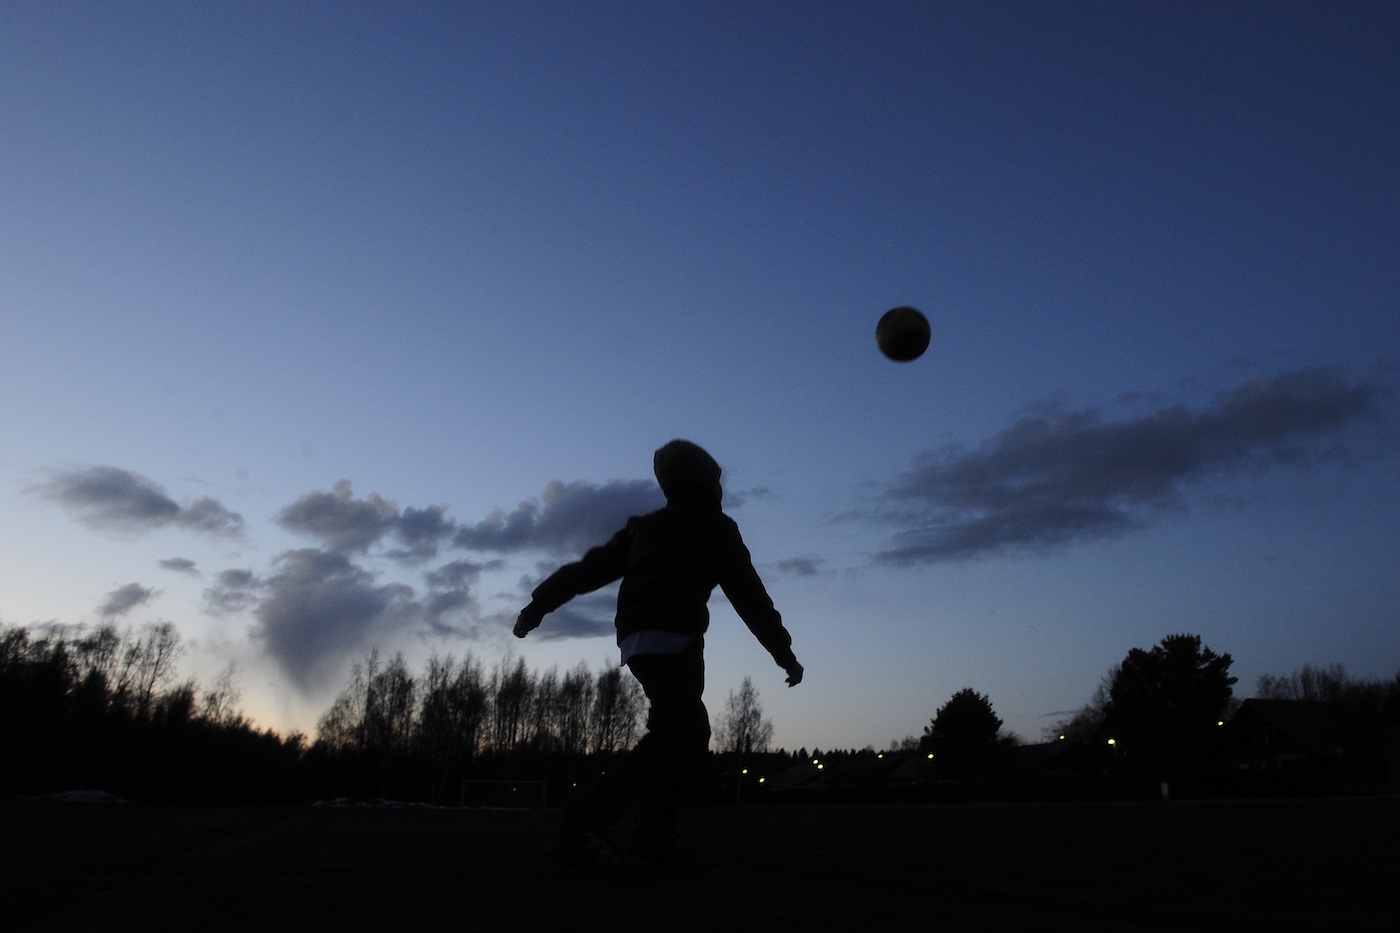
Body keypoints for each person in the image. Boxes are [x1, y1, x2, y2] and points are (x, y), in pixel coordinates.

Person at [514, 439, 803, 871]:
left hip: (635, 641)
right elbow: (750, 597)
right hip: (677, 641)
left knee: (689, 729)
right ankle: (584, 827)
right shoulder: (716, 528)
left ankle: (655, 830)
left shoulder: (642, 528)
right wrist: (784, 653)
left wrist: (539, 604)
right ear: (708, 486)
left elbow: (586, 570)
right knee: (674, 734)